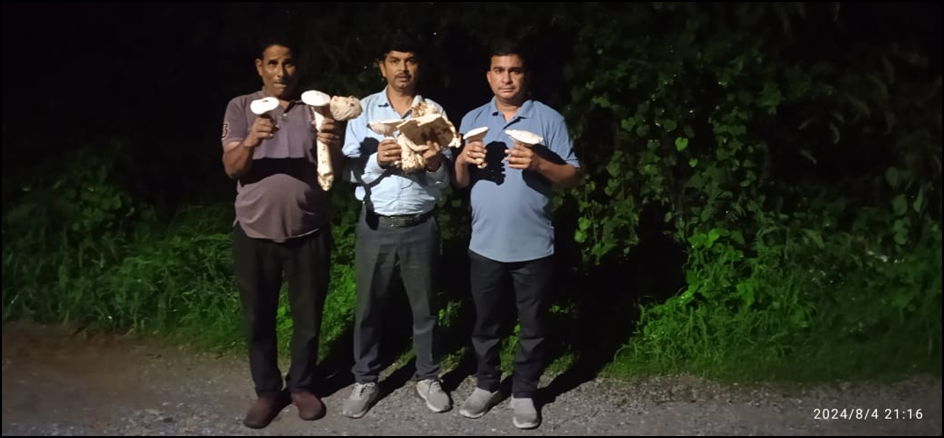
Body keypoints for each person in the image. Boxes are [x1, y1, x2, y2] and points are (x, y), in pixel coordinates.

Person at [453, 40, 581, 430]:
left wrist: (541, 163)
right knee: (485, 324)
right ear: (489, 75)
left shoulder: (548, 119)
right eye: (499, 70)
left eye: (515, 71)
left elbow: (574, 176)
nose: (506, 78)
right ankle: (487, 384)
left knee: (533, 325)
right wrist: (461, 158)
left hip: (534, 244)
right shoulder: (473, 119)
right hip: (485, 244)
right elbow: (459, 184)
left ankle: (525, 391)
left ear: (525, 75)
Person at [221, 37, 343, 429]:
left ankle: (303, 386)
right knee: (259, 317)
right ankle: (268, 391)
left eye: (288, 63)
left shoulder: (315, 109)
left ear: (298, 67)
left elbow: (333, 172)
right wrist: (253, 139)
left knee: (308, 316)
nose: (281, 71)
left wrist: (333, 143)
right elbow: (232, 168)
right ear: (260, 67)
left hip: (309, 228)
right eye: (272, 63)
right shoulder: (241, 107)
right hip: (255, 232)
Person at [339, 35, 453, 419]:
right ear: (382, 65)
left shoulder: (432, 110)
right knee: (369, 306)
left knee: (426, 309)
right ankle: (366, 378)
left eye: (410, 60)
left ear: (419, 66)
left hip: (421, 224)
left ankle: (428, 376)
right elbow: (350, 171)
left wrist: (436, 163)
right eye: (394, 60)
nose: (403, 68)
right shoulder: (362, 110)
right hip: (376, 223)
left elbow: (445, 179)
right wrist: (378, 163)